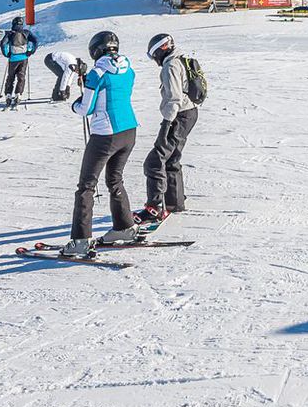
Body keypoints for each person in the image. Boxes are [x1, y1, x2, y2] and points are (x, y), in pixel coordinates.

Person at [55, 30, 139, 259]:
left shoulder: (97, 72)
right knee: (115, 179)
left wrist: (75, 104)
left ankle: (81, 240)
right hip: (128, 130)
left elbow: (86, 108)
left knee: (86, 186)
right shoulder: (127, 67)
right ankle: (124, 227)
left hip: (105, 134)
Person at [137, 33, 200, 226]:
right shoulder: (180, 59)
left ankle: (154, 208)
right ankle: (174, 202)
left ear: (159, 50)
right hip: (189, 113)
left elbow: (174, 98)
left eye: (153, 55)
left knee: (155, 161)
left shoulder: (170, 65)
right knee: (172, 157)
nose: (154, 60)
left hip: (179, 115)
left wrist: (166, 124)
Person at [0, 20, 37, 107]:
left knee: (10, 77)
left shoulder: (10, 33)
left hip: (13, 59)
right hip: (24, 58)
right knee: (21, 77)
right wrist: (31, 52)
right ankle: (18, 95)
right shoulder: (26, 32)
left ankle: (8, 95)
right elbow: (35, 41)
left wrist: (6, 54)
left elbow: (3, 44)